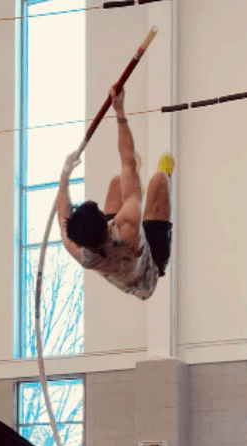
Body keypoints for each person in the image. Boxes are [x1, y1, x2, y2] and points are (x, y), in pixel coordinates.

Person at [57, 86, 175, 301]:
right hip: (149, 266)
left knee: (117, 182)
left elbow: (63, 222)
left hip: (117, 255)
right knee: (158, 180)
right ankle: (159, 178)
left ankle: (131, 184)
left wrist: (64, 176)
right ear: (106, 223)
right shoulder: (127, 224)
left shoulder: (82, 254)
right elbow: (127, 162)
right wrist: (119, 112)